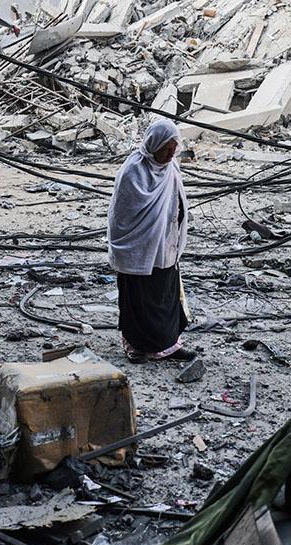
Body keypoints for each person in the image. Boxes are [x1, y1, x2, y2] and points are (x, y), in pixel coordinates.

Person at [108, 119, 196, 364]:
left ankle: (168, 345)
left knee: (164, 296)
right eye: (165, 149)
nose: (170, 154)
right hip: (138, 249)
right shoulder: (133, 170)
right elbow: (122, 216)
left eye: (173, 149)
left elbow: (178, 202)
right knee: (139, 300)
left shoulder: (172, 169)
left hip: (165, 245)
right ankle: (136, 346)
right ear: (153, 144)